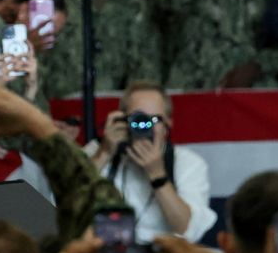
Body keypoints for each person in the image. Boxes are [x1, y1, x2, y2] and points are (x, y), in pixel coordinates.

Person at [86, 80, 215, 243]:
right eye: (138, 118)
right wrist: (104, 153)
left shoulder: (189, 163)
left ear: (168, 124)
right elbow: (63, 202)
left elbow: (188, 230)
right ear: (123, 121)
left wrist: (157, 175)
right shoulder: (98, 152)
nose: (145, 126)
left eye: (154, 120)